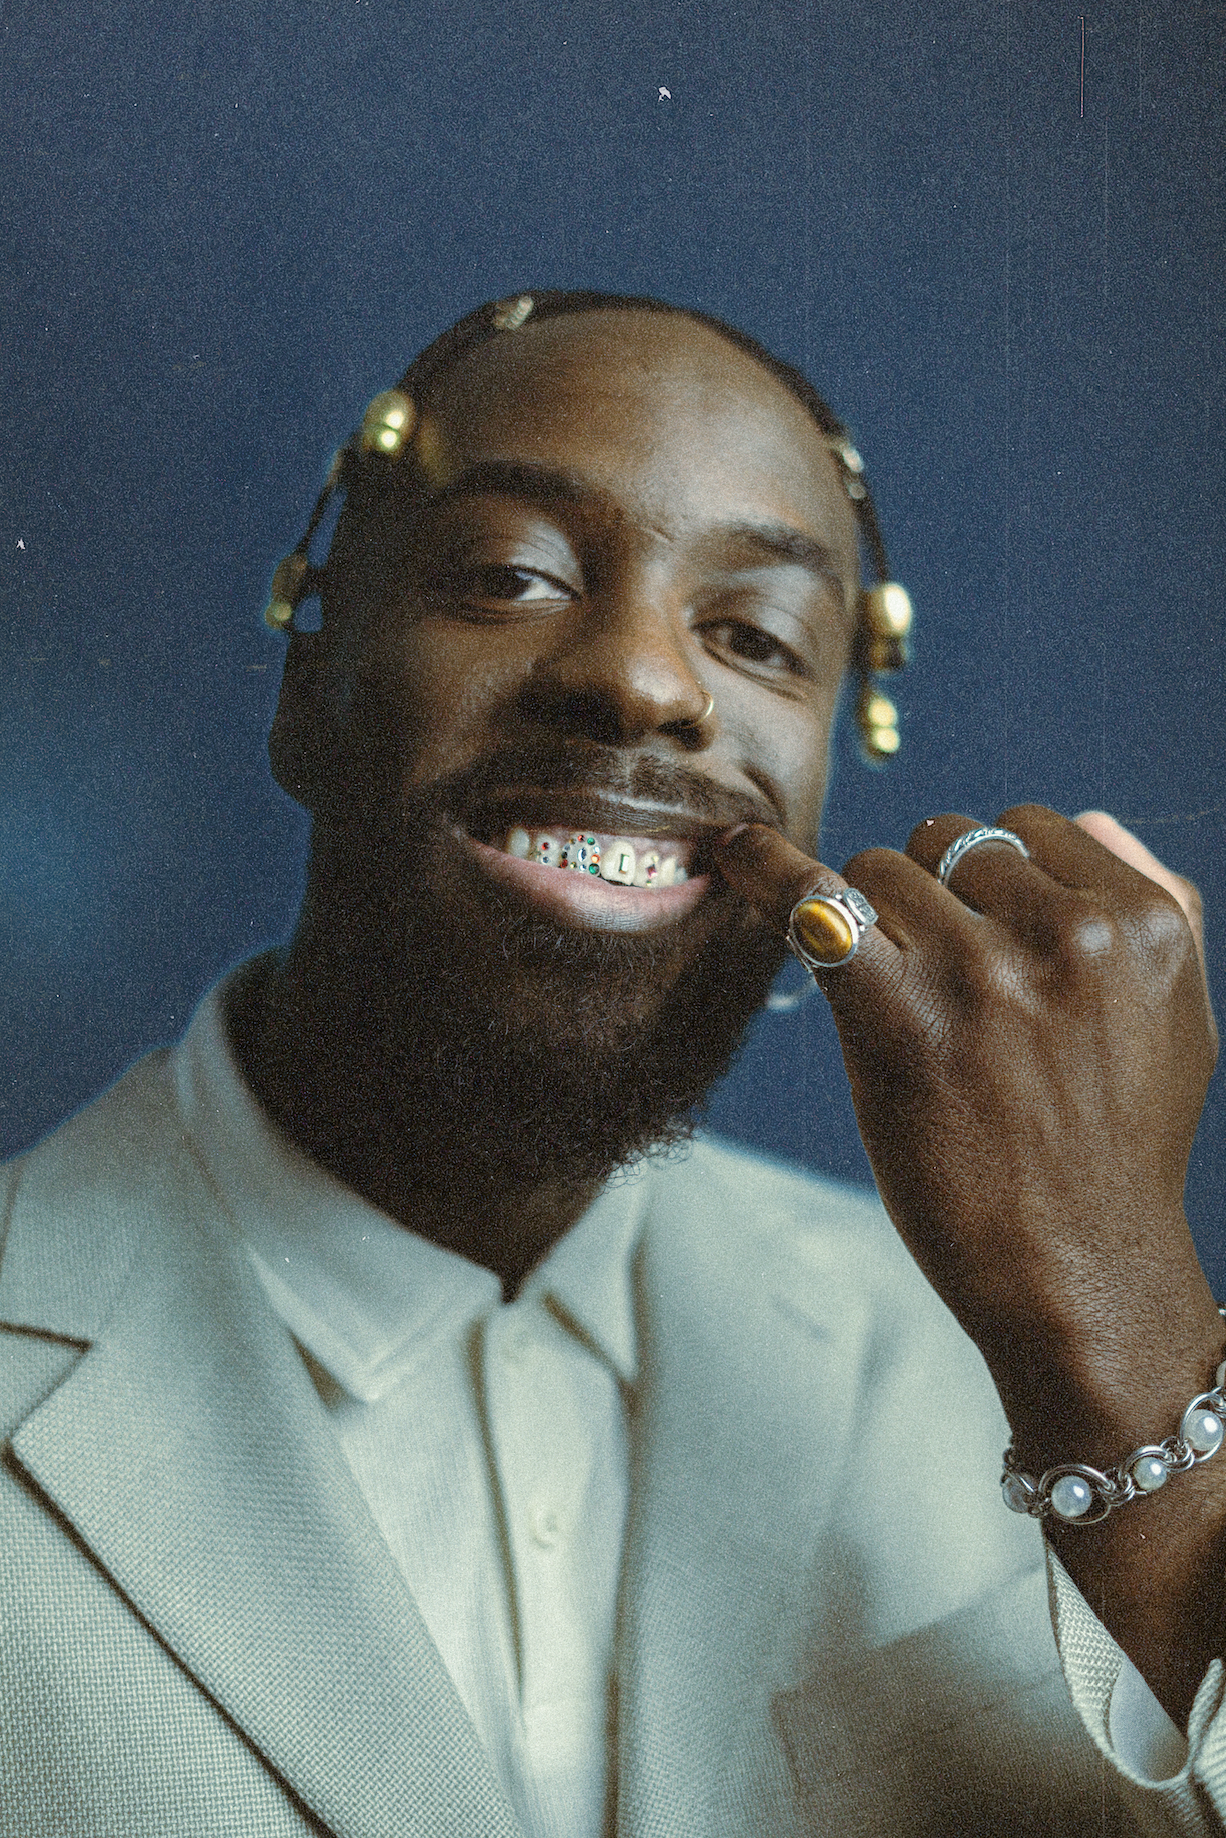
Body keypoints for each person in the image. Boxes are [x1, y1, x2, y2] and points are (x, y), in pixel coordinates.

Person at [0, 288, 1221, 1838]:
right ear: (310, 686)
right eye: (510, 575)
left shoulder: (1006, 1351)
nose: (646, 680)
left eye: (755, 636)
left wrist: (1118, 1341)